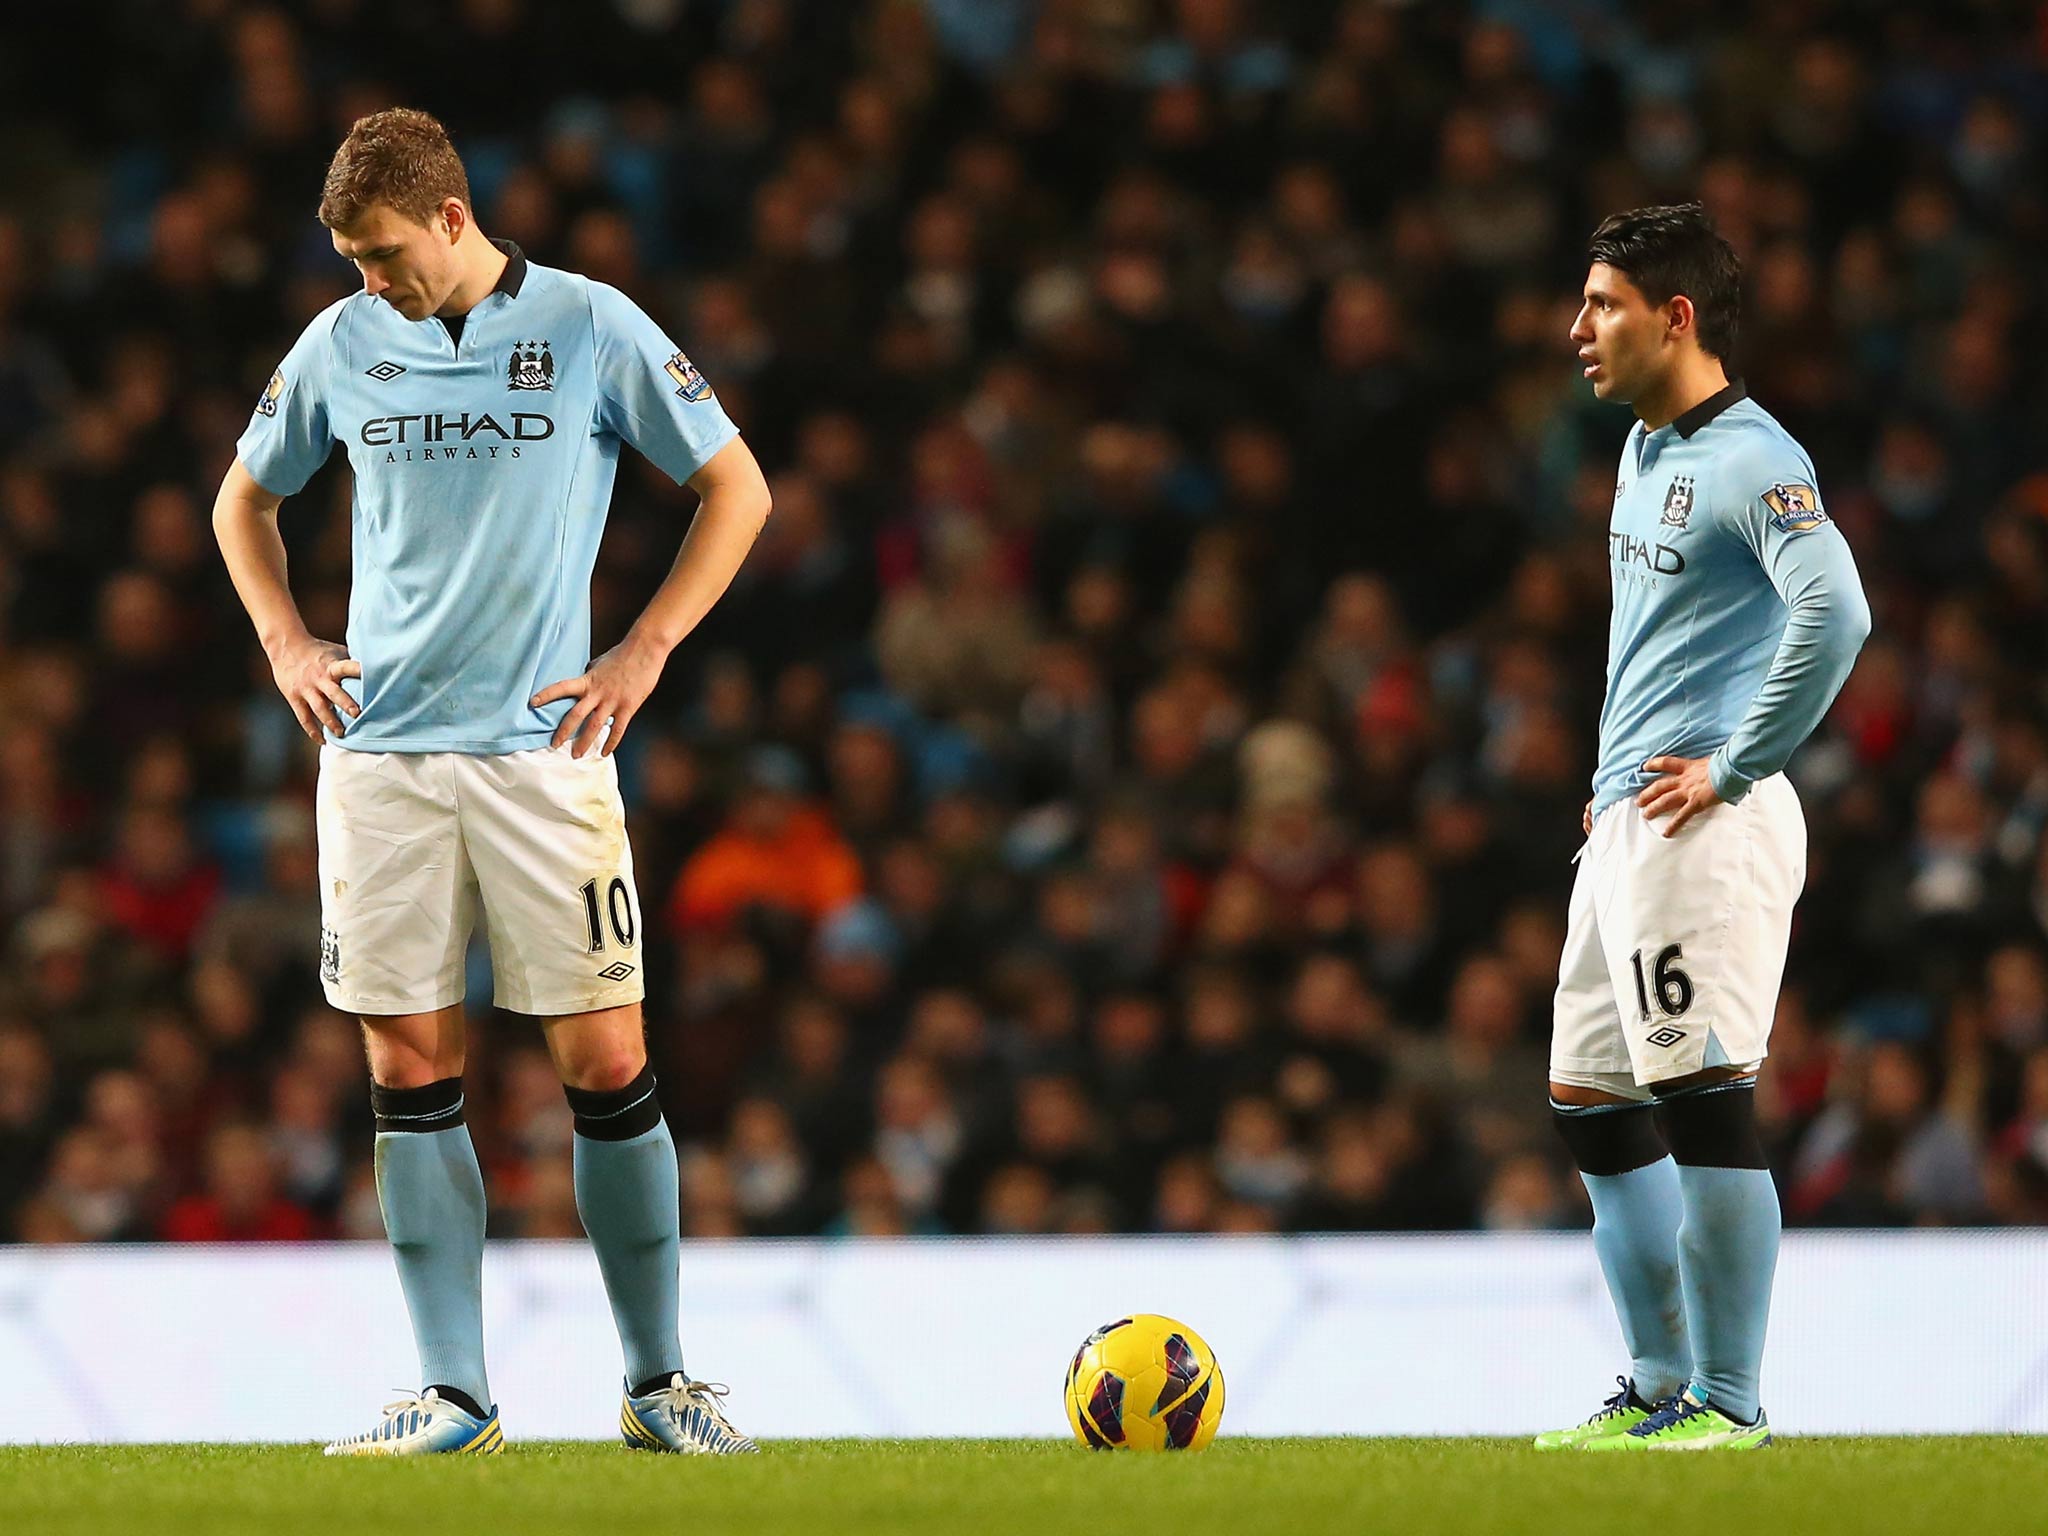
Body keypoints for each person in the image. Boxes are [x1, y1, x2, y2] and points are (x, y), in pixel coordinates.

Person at [212, 108, 771, 1457]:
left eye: (386, 253)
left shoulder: (587, 324)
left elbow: (737, 489)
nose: (372, 282)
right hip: (382, 760)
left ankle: (658, 1386)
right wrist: (287, 639)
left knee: (610, 1058)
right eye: (351, 258)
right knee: (408, 1070)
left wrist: (645, 645)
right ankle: (455, 1398)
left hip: (542, 757)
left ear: (453, 217)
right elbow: (241, 503)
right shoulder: (341, 344)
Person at [1538, 204, 1870, 1451]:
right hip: (1626, 817)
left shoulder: (1750, 459)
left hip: (1703, 826)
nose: (1577, 328)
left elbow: (1832, 613)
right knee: (1590, 1106)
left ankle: (1726, 1405)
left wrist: (1733, 766)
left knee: (1699, 1099)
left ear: (1674, 317)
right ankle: (1652, 1388)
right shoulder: (1638, 449)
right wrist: (1617, 768)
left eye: (1602, 304)